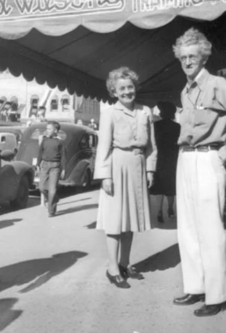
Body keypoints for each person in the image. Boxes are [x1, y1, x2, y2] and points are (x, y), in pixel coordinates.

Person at [172, 28, 226, 317]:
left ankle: (217, 295)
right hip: (185, 160)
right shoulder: (186, 91)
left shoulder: (217, 84)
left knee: (209, 229)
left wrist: (225, 152)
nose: (187, 61)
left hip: (208, 159)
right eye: (183, 57)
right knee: (188, 229)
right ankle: (195, 287)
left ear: (203, 56)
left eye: (192, 56)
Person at [94, 67, 157, 289]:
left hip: (137, 166)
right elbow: (103, 147)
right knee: (114, 219)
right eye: (122, 88)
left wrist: (150, 169)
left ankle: (124, 263)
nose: (127, 91)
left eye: (130, 87)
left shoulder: (145, 111)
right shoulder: (109, 113)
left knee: (130, 219)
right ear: (114, 91)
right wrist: (104, 176)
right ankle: (112, 268)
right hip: (116, 166)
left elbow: (151, 146)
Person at [149, 101, 181, 223]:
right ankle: (170, 207)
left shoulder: (155, 126)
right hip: (172, 159)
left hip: (159, 158)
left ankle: (159, 211)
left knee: (159, 187)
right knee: (170, 187)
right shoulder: (177, 127)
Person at [37, 121, 66, 217]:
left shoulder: (60, 141)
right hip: (44, 165)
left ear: (55, 130)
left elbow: (63, 156)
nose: (47, 130)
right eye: (47, 128)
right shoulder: (44, 140)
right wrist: (37, 164)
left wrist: (64, 169)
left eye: (49, 129)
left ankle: (51, 211)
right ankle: (54, 199)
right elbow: (40, 152)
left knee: (52, 190)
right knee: (41, 188)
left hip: (55, 167)